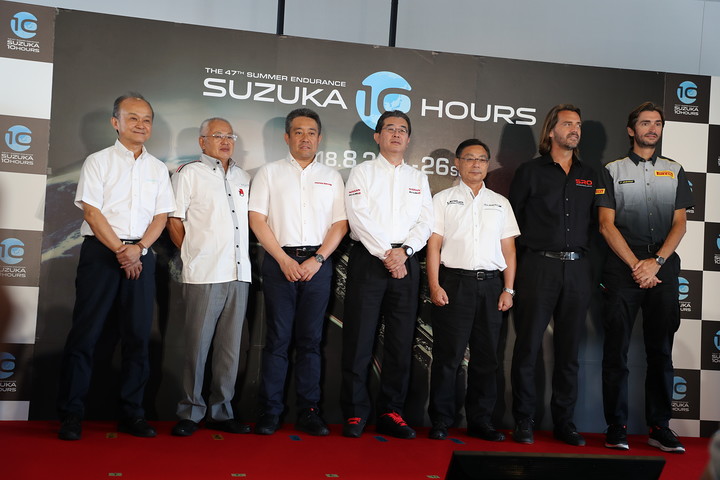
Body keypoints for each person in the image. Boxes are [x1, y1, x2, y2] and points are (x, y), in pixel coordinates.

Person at [57, 93, 175, 440]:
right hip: (102, 253)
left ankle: (132, 414)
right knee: (86, 334)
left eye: (147, 119)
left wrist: (138, 249)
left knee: (138, 337)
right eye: (133, 118)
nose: (141, 125)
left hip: (142, 253)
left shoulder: (157, 169)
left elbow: (161, 217)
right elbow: (91, 212)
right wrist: (122, 251)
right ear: (116, 123)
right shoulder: (98, 161)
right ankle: (71, 414)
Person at [596, 101, 693, 453]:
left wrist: (657, 262)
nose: (652, 128)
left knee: (661, 351)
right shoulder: (612, 170)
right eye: (645, 123)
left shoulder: (675, 170)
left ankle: (659, 427)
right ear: (631, 129)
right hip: (623, 267)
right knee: (616, 352)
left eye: (657, 123)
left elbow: (680, 224)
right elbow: (605, 225)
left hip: (662, 266)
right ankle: (616, 427)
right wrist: (638, 265)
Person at [248, 108, 347, 436]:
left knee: (311, 341)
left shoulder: (332, 176)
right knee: (277, 340)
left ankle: (309, 411)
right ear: (287, 137)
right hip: (280, 264)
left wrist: (317, 259)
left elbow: (340, 223)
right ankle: (270, 411)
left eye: (311, 133)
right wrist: (283, 259)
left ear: (319, 138)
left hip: (318, 264)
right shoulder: (269, 173)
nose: (305, 138)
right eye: (299, 132)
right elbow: (257, 219)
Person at [341, 110, 433, 439]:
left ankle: (391, 412)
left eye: (402, 130)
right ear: (377, 136)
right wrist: (387, 254)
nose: (396, 134)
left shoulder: (418, 178)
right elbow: (358, 216)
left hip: (406, 262)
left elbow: (426, 222)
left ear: (408, 139)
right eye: (389, 129)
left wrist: (404, 252)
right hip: (370, 260)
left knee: (400, 341)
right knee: (359, 339)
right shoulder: (362, 172)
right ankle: (355, 412)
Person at [508, 104, 596, 446]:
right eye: (568, 124)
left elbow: (598, 226)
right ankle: (524, 420)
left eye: (578, 124)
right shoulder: (530, 171)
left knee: (569, 352)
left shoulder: (590, 174)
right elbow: (511, 226)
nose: (575, 129)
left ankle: (565, 422)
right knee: (528, 347)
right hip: (538, 267)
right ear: (551, 130)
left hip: (577, 270)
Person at [427, 139, 519, 441]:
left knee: (487, 358)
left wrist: (508, 289)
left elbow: (509, 250)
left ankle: (481, 421)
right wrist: (435, 285)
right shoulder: (442, 199)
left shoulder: (500, 202)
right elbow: (434, 246)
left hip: (492, 286)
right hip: (454, 283)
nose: (476, 164)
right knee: (448, 356)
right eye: (469, 158)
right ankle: (441, 420)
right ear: (457, 163)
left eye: (481, 159)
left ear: (488, 165)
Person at [167, 118, 252, 437]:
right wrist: (193, 254)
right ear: (202, 142)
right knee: (197, 347)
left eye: (230, 136)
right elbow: (174, 221)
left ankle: (221, 412)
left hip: (239, 273)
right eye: (217, 135)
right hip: (204, 273)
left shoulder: (243, 177)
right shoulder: (189, 173)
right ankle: (190, 411)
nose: (225, 141)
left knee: (230, 350)